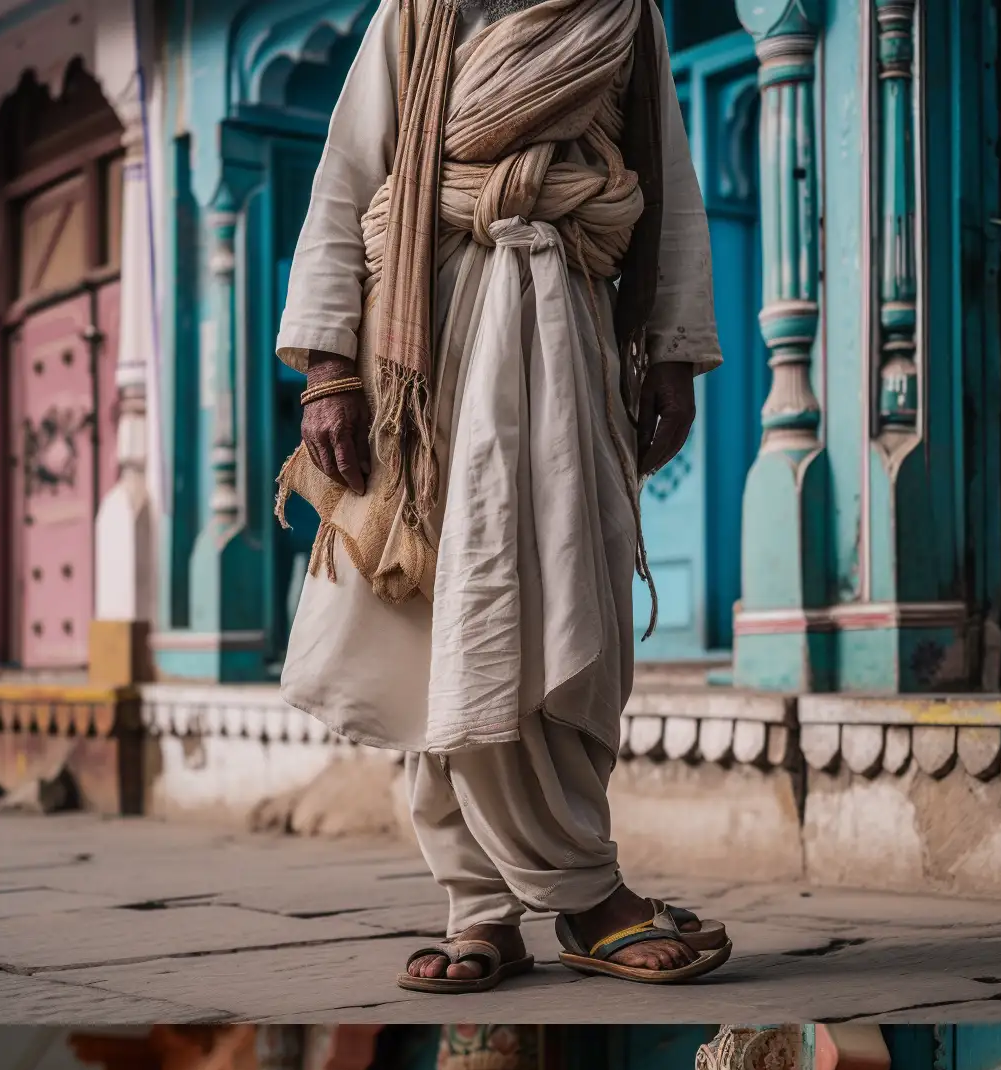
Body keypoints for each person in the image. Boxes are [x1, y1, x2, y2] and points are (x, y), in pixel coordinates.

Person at [274, 0, 733, 992]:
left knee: (567, 593)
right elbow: (347, 178)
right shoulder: (415, 12)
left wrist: (672, 356)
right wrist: (328, 373)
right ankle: (500, 903)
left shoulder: (622, 14)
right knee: (435, 611)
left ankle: (548, 888)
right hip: (422, 348)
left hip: (565, 326)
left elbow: (665, 187)